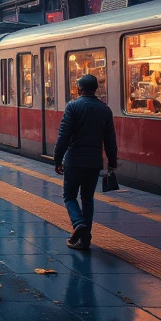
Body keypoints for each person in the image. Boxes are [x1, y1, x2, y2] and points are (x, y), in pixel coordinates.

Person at [53, 73, 118, 251]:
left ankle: (79, 224)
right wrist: (112, 161)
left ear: (79, 88)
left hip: (74, 160)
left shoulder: (72, 107)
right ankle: (85, 239)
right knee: (88, 199)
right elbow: (110, 140)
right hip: (94, 162)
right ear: (96, 89)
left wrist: (57, 159)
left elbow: (63, 137)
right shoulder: (105, 110)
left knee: (69, 196)